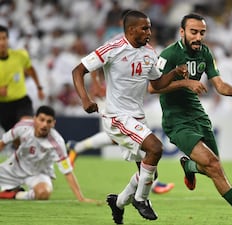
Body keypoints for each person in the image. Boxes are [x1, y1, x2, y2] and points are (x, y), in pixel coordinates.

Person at [71, 10, 187, 224]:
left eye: (150, 28)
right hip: (117, 116)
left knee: (148, 173)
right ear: (131, 30)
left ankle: (118, 203)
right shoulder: (113, 48)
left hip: (137, 117)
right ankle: (141, 200)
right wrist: (85, 100)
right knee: (156, 148)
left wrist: (175, 74)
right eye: (145, 28)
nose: (149, 32)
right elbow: (78, 71)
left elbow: (157, 84)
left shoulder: (150, 52)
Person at [148, 13, 232, 224]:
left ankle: (189, 167)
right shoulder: (168, 55)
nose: (198, 37)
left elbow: (220, 84)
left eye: (202, 33)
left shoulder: (205, 53)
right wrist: (185, 83)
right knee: (214, 165)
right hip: (177, 120)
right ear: (182, 32)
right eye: (193, 32)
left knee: (216, 168)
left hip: (198, 115)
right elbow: (153, 87)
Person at [0, 105, 96, 203]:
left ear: (53, 123)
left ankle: (15, 195)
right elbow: (2, 143)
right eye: (41, 120)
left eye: (49, 121)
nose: (45, 124)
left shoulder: (57, 142)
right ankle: (14, 190)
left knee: (43, 193)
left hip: (39, 173)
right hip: (15, 167)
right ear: (34, 119)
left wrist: (81, 198)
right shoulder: (22, 126)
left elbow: (67, 171)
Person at [66, 133, 175, 194]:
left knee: (122, 137)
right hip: (119, 107)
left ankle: (76, 147)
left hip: (125, 107)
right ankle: (152, 182)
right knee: (133, 139)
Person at [0, 25, 45, 134]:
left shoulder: (20, 55)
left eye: (4, 38)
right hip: (2, 106)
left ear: (8, 39)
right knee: (15, 139)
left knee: (26, 127)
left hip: (21, 102)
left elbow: (31, 70)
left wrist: (39, 87)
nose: (2, 42)